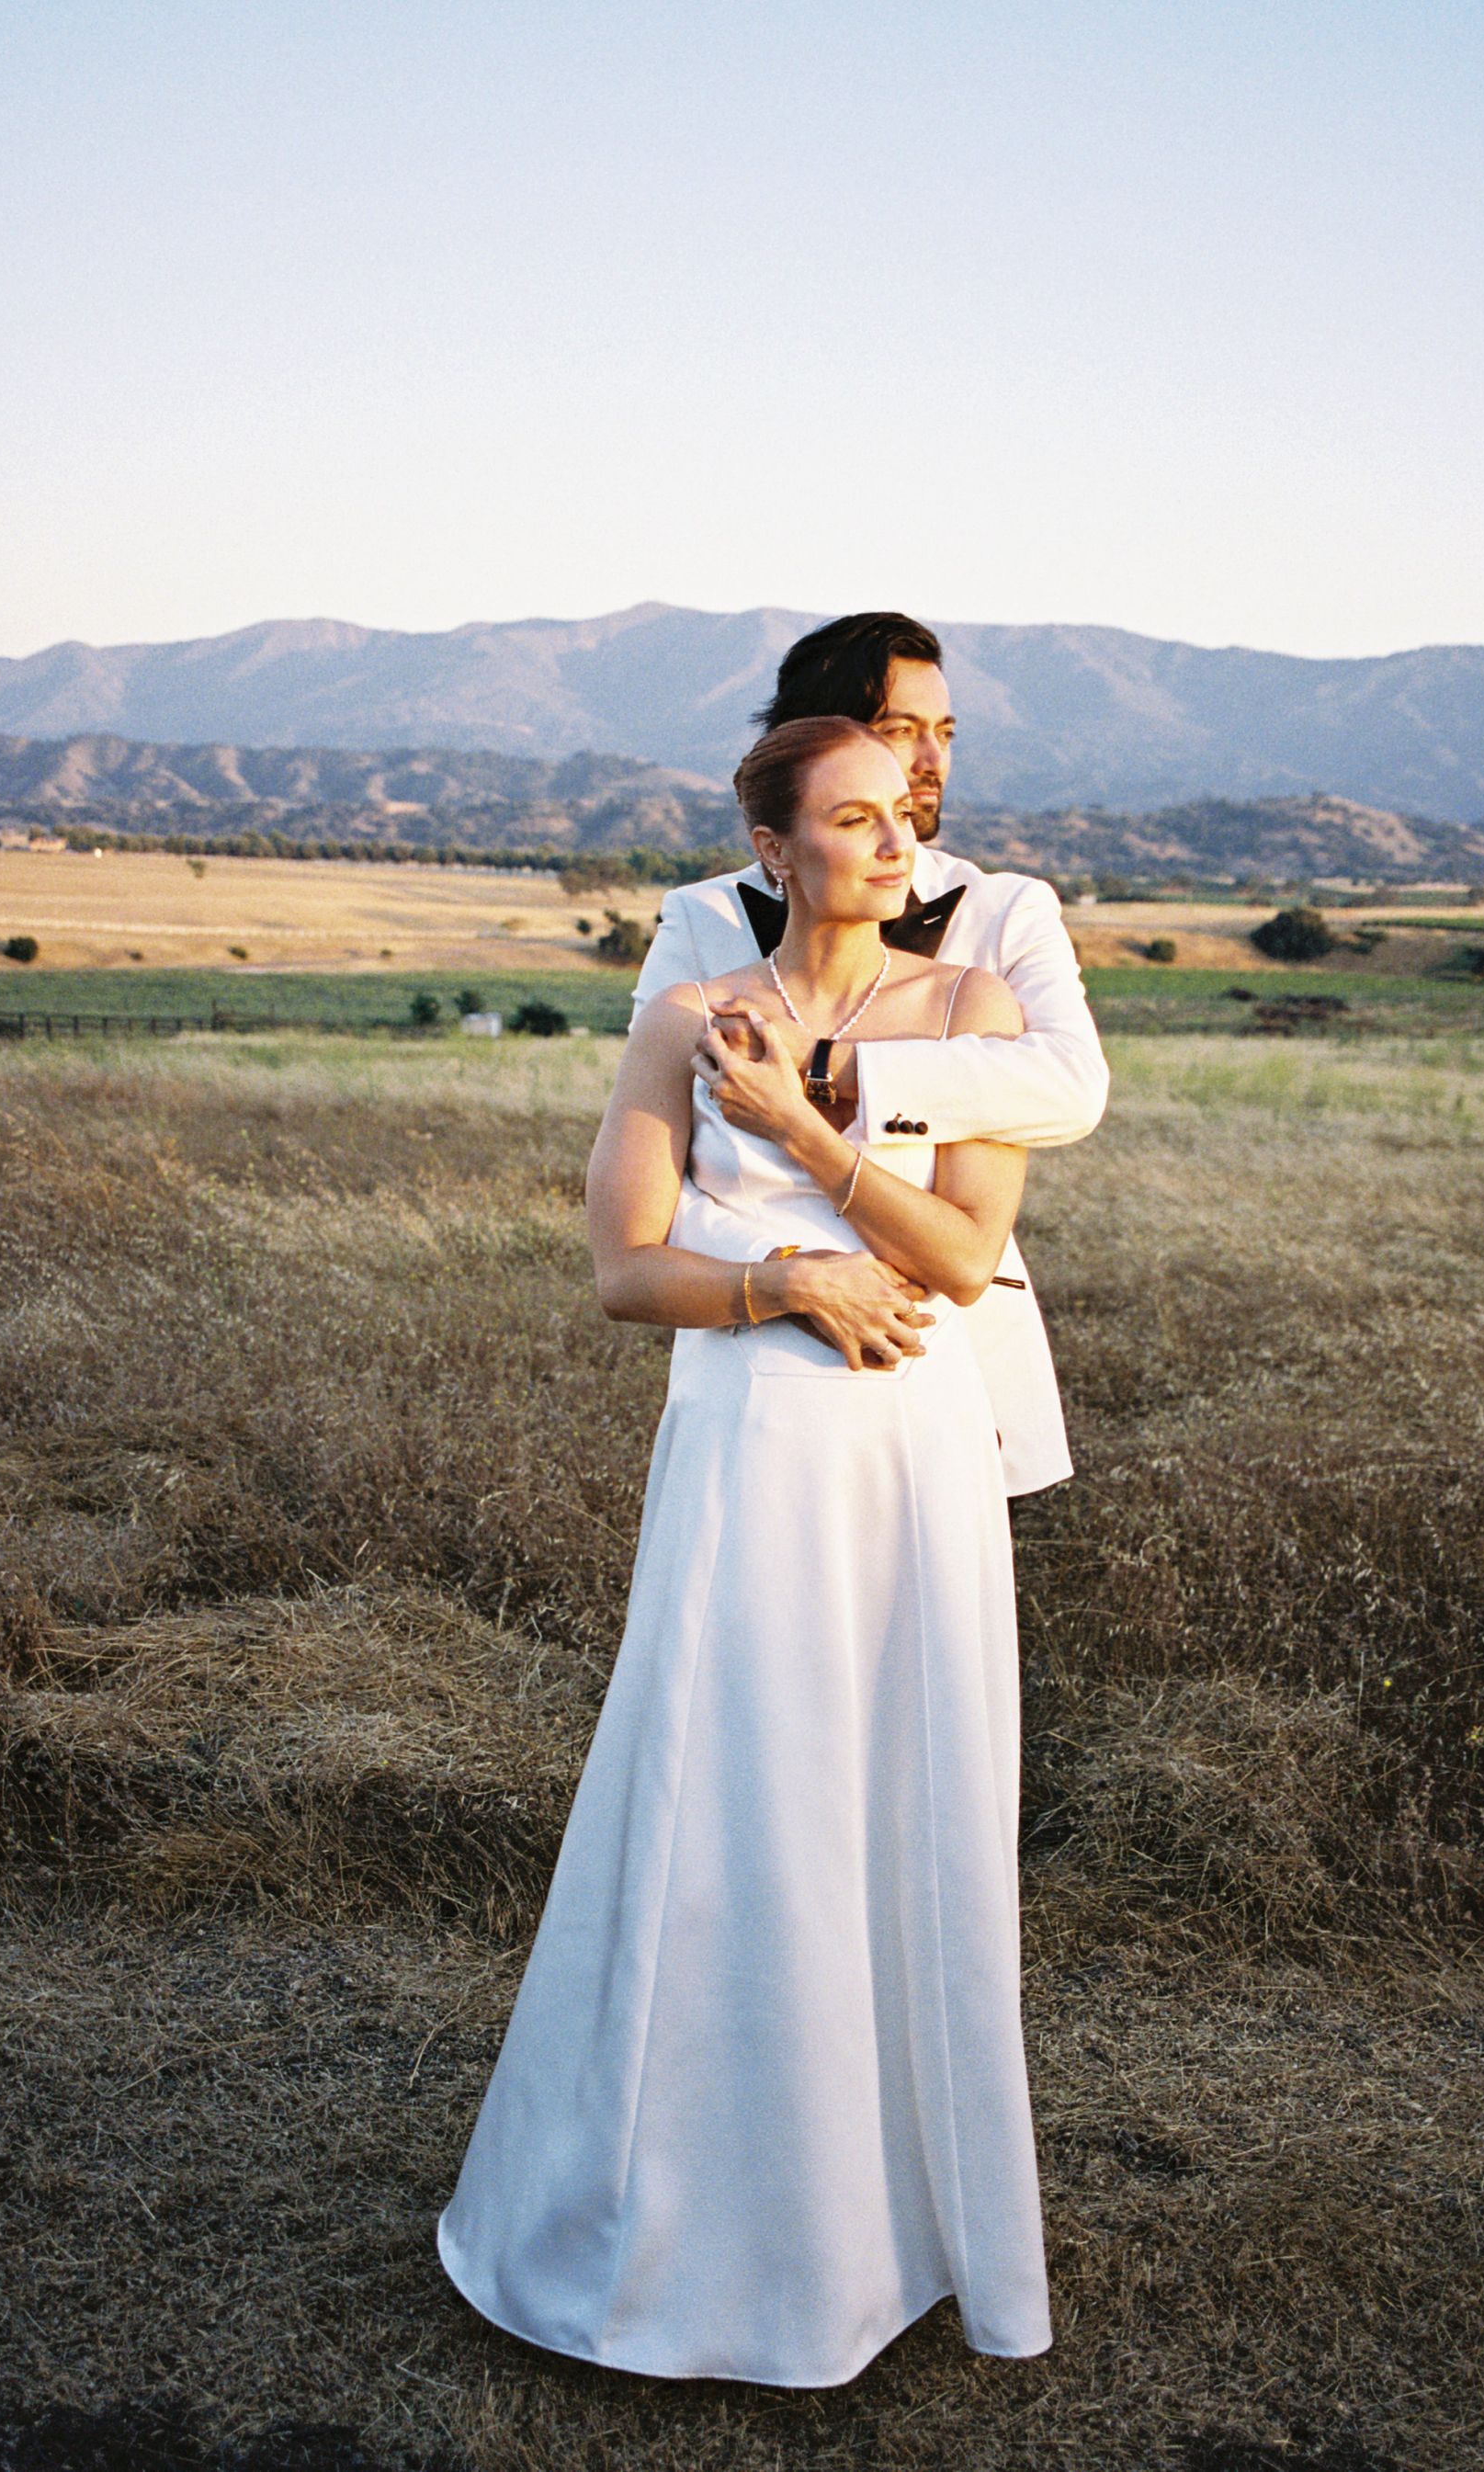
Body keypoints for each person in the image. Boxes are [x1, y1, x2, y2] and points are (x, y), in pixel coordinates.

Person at [437, 715, 1054, 2387]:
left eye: (905, 816)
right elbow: (626, 1272)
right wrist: (777, 1283)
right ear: (770, 851)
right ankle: (676, 2231)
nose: (892, 843)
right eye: (848, 819)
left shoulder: (968, 1014)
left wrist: (806, 1138)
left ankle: (899, 2228)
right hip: (743, 1455)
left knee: (894, 1800)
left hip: (910, 1460)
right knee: (728, 1805)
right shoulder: (680, 1020)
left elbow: (960, 1252)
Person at [634, 611, 1109, 1497]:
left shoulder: (1005, 909)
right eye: (900, 730)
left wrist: (828, 1074)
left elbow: (1069, 1089)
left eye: (945, 732)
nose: (930, 760)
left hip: (945, 1332)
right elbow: (665, 1154)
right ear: (821, 739)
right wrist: (789, 1277)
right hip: (759, 1355)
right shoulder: (698, 921)